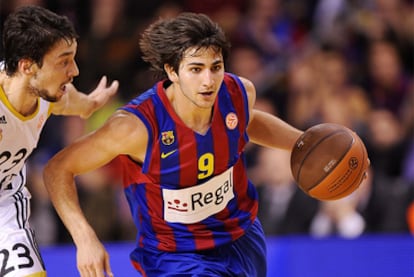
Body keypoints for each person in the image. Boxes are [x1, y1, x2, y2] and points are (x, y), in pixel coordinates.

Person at [43, 12, 303, 277]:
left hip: (241, 237)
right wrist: (84, 237)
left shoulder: (239, 93)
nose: (208, 81)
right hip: (175, 255)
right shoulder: (135, 127)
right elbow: (58, 169)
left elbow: (246, 121)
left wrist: (303, 143)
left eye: (216, 67)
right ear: (172, 71)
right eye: (195, 69)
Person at [0, 5, 118, 277]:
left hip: (4, 201)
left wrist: (92, 103)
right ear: (27, 66)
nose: (74, 70)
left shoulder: (50, 95)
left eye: (73, 59)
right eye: (64, 61)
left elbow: (79, 103)